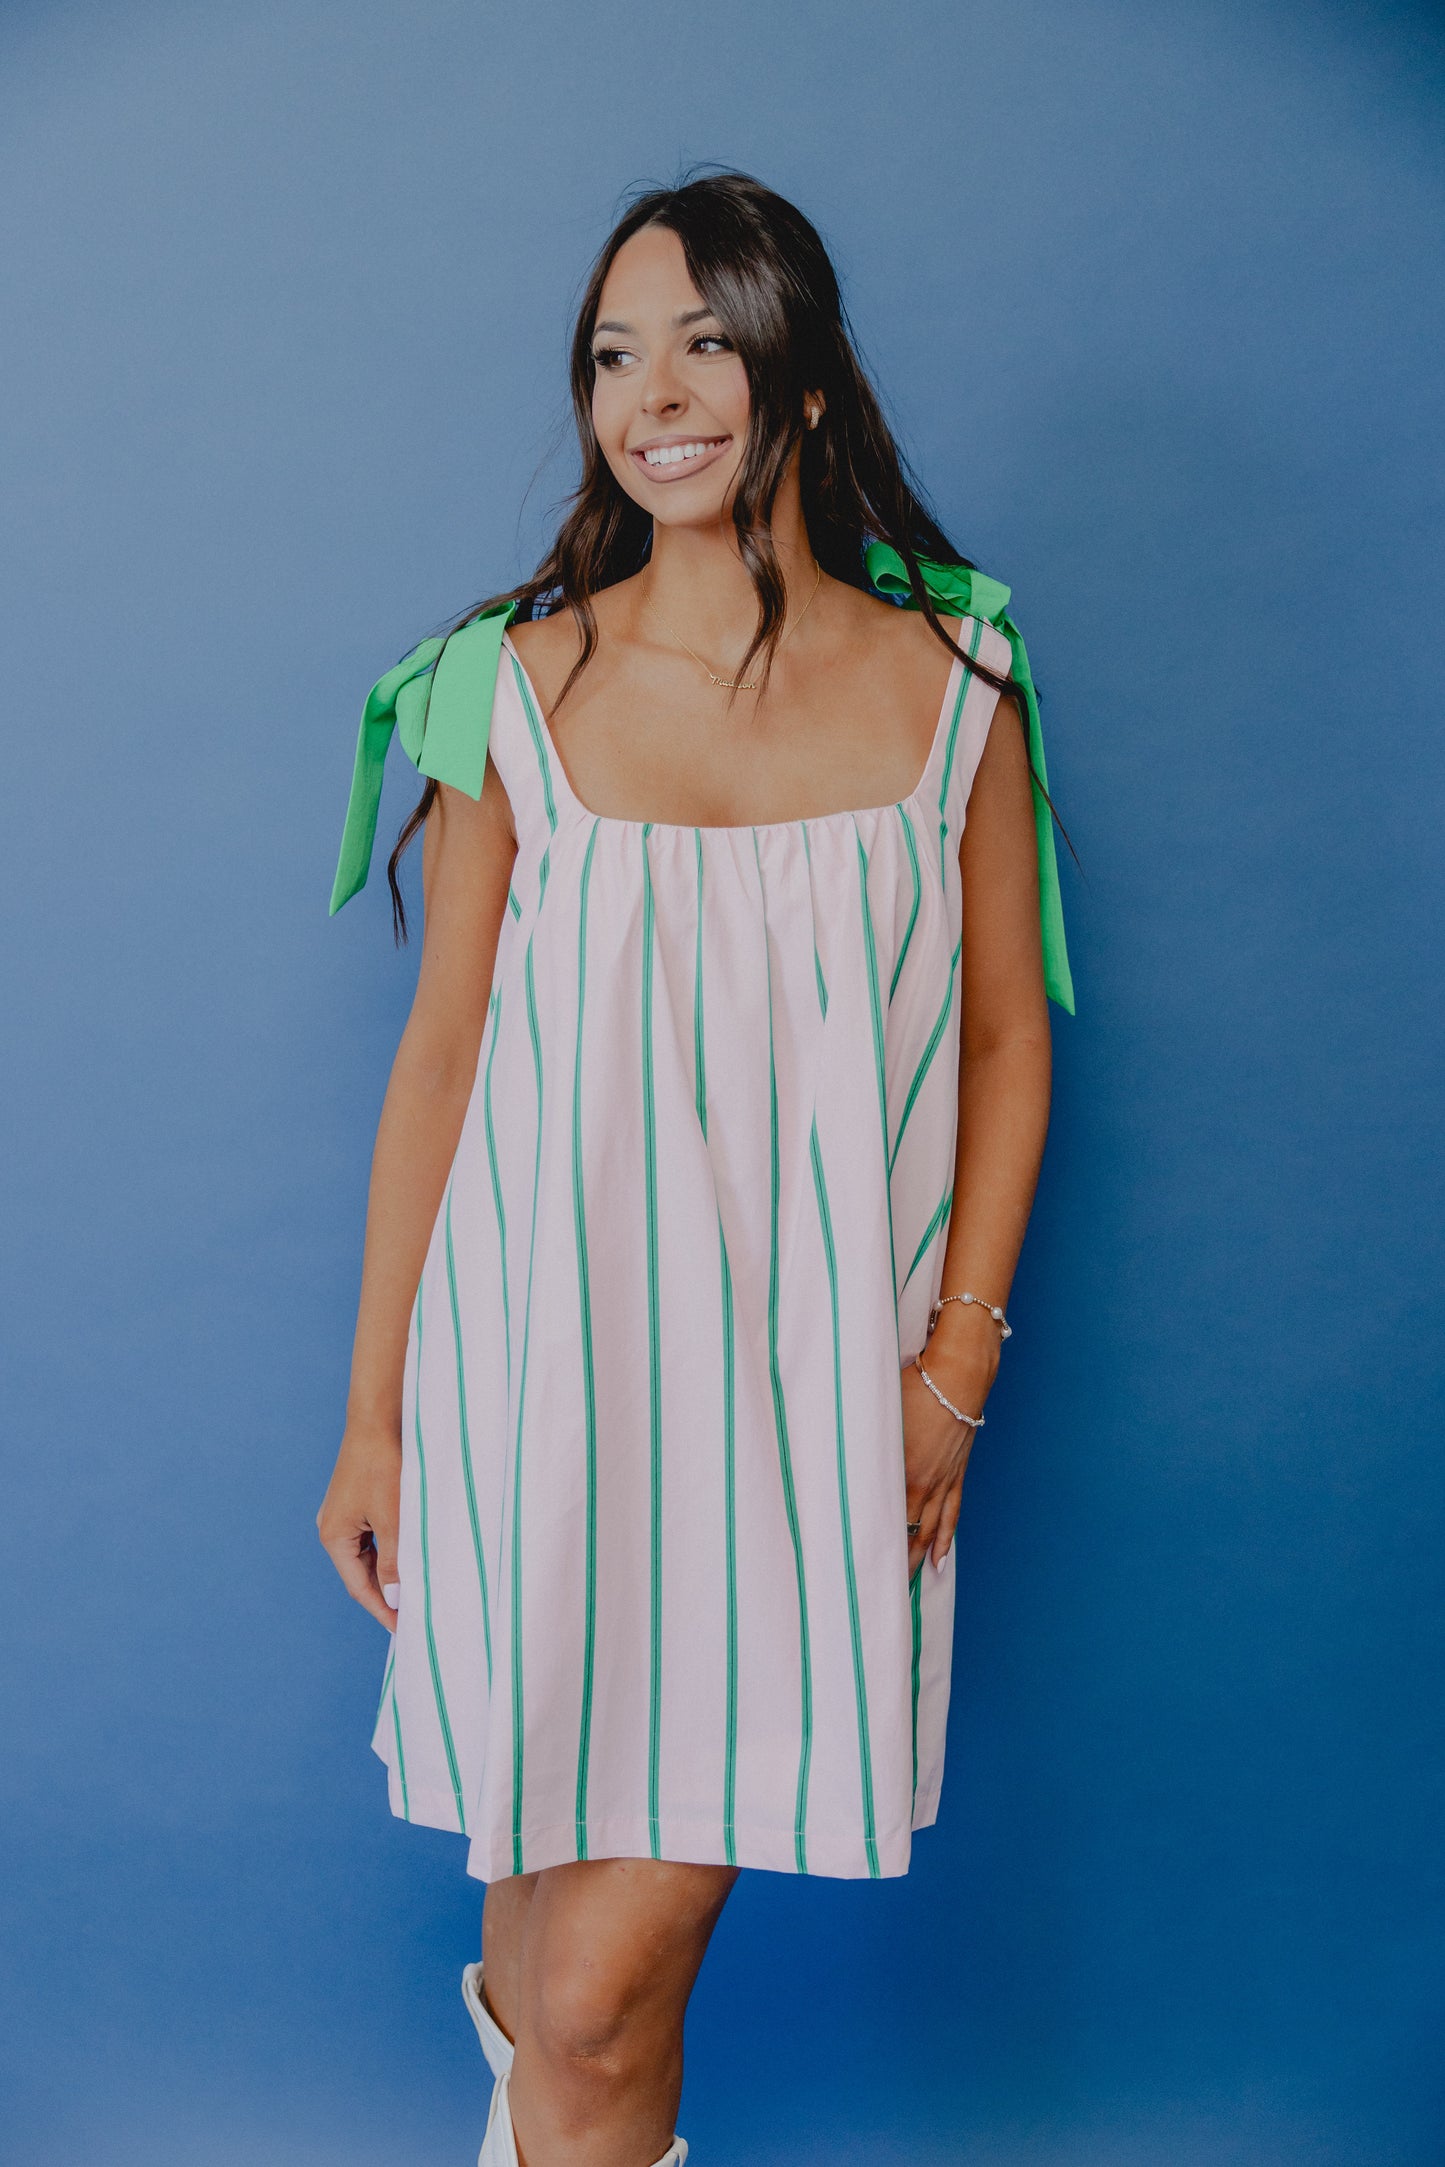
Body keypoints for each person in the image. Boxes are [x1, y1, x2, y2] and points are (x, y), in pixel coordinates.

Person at [318, 169, 1071, 2167]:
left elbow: (1008, 1040)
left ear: (799, 378)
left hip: (812, 1416)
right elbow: (438, 1062)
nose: (650, 395)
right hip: (545, 1403)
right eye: (611, 354)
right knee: (547, 1950)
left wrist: (952, 1374)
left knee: (588, 1990)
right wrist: (378, 1416)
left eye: (703, 344)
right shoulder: (512, 689)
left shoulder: (959, 689)